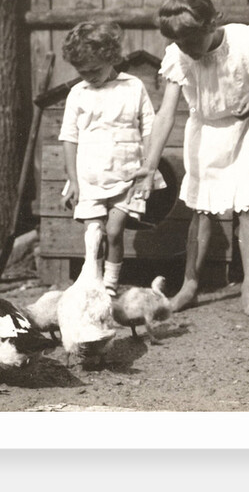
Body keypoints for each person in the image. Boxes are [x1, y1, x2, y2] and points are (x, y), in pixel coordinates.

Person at [133, 0, 249, 317]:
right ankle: (189, 286)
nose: (187, 50)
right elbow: (166, 113)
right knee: (202, 209)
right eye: (180, 44)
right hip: (207, 131)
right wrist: (149, 165)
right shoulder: (177, 56)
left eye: (192, 42)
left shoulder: (244, 42)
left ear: (212, 24)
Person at [58, 21, 166, 298]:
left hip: (127, 174)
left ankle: (110, 282)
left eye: (95, 70)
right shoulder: (78, 94)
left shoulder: (132, 87)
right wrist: (73, 180)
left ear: (111, 58)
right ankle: (91, 280)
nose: (90, 77)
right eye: (83, 72)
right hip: (90, 176)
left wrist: (148, 168)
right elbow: (69, 138)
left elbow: (149, 129)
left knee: (115, 230)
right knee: (93, 233)